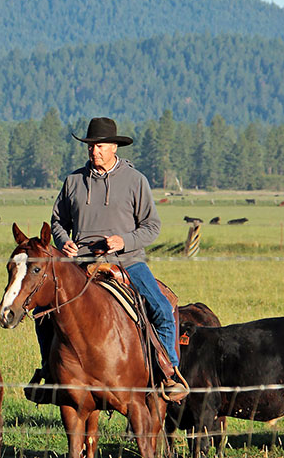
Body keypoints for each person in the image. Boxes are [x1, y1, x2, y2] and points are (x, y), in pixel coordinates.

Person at [28, 116, 188, 402]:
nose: (94, 151)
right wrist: (64, 242)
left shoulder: (135, 181)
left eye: (100, 146)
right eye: (90, 146)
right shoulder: (74, 181)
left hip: (126, 261)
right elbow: (57, 222)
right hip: (80, 263)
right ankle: (49, 373)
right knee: (43, 313)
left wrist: (124, 241)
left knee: (162, 308)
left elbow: (152, 227)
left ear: (114, 147)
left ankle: (168, 373)